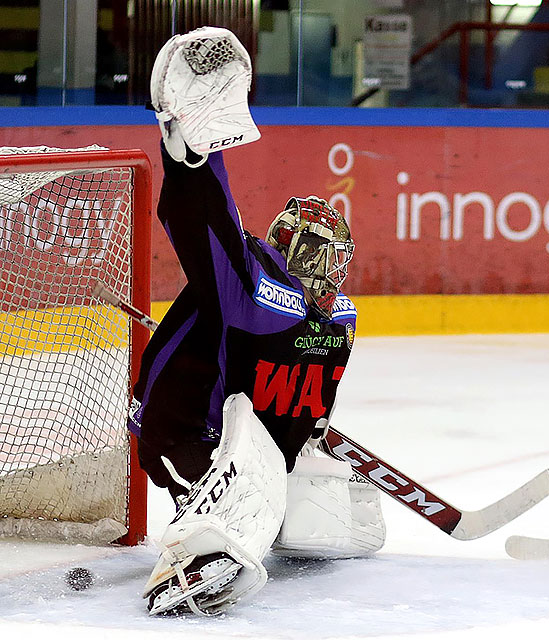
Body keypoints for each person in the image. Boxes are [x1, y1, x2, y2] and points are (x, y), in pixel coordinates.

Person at [127, 27, 386, 615]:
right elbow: (210, 226)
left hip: (233, 440)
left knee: (286, 501)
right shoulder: (300, 304)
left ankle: (237, 514)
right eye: (319, 257)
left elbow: (218, 234)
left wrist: (194, 151)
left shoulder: (302, 307)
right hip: (185, 433)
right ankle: (195, 551)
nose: (324, 271)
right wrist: (196, 155)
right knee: (247, 489)